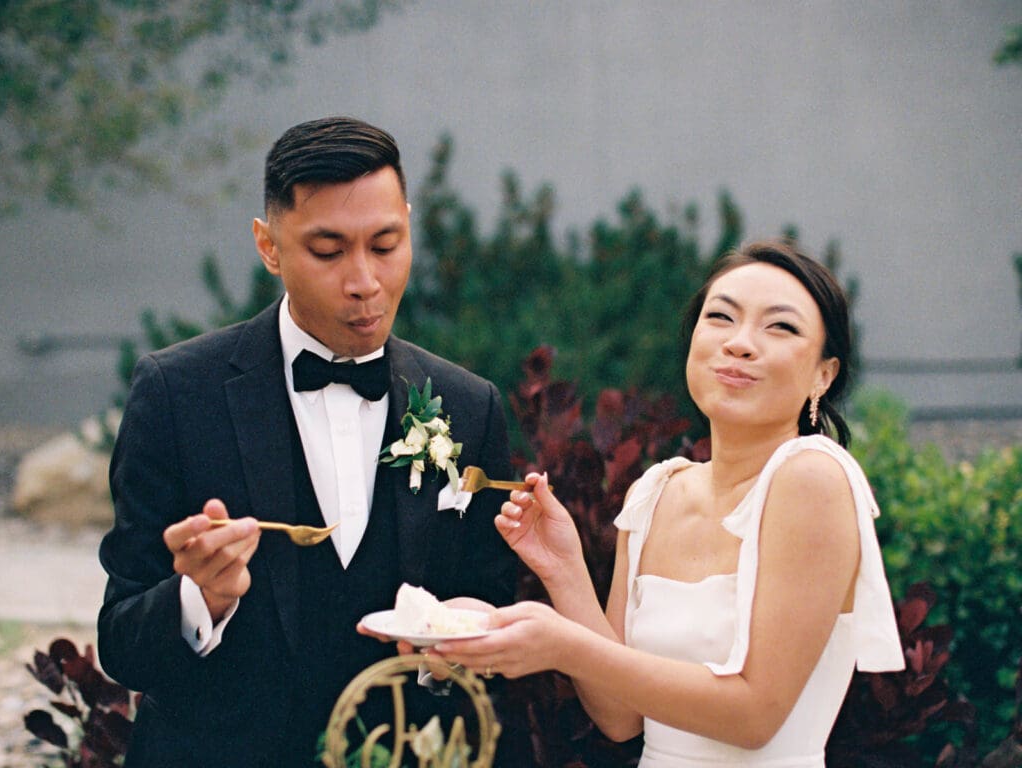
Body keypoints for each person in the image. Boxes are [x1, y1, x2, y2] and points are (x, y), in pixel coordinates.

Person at [97, 116, 517, 768]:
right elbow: (121, 644)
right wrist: (199, 597)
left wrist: (460, 640)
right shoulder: (176, 394)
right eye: (328, 251)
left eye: (386, 244)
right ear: (269, 246)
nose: (364, 281)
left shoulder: (470, 406)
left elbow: (495, 618)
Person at [431, 239, 906, 766]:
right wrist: (563, 569)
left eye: (781, 327)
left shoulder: (812, 478)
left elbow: (754, 716)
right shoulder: (656, 493)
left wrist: (561, 644)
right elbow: (618, 716)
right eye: (721, 318)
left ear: (824, 373)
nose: (741, 343)